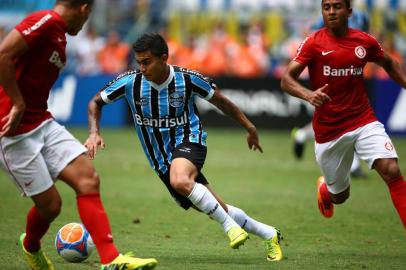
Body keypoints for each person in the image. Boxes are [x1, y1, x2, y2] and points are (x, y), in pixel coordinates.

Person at [85, 33, 283, 262]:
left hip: (190, 139)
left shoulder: (187, 79)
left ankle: (230, 227)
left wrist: (250, 128)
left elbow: (221, 101)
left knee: (180, 180)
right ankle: (269, 234)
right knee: (212, 206)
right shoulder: (131, 82)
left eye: (146, 62)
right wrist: (93, 132)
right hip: (160, 160)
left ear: (164, 58)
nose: (141, 68)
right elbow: (95, 102)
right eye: (138, 62)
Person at [0, 1, 158, 269]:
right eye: (88, 18)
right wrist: (17, 102)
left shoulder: (60, 34)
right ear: (84, 9)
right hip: (11, 130)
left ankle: (111, 260)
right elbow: (2, 54)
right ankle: (31, 245)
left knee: (88, 179)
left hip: (41, 121)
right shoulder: (46, 21)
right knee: (51, 206)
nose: (85, 25)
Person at [281, 0, 406, 228]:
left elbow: (389, 63)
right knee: (340, 196)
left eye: (337, 6)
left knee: (392, 170)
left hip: (363, 120)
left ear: (349, 11)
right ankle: (326, 191)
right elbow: (286, 79)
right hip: (330, 131)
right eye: (326, 7)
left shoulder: (364, 41)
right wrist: (308, 95)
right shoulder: (313, 43)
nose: (331, 11)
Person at [291, 6, 371, 178]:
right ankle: (353, 166)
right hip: (330, 73)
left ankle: (302, 135)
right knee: (336, 117)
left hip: (350, 73)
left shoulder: (362, 17)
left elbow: (367, 41)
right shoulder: (331, 16)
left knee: (350, 119)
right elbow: (313, 36)